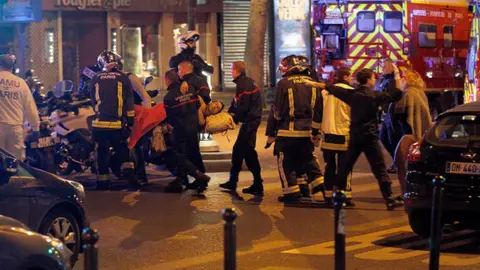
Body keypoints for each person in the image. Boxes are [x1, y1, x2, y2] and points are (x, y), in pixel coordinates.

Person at [307, 67, 404, 210]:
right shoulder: (374, 95)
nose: (374, 79)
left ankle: (338, 195)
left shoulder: (352, 94)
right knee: (379, 168)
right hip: (369, 137)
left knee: (344, 168)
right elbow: (396, 94)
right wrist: (396, 76)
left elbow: (331, 88)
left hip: (355, 136)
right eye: (373, 77)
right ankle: (389, 198)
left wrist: (314, 84)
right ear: (368, 80)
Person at [266, 55, 325, 203]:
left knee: (284, 161)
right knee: (306, 158)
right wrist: (315, 131)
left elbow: (277, 110)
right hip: (307, 132)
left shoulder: (284, 83)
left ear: (286, 67)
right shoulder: (313, 83)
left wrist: (275, 126)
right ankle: (320, 185)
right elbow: (319, 110)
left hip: (287, 131)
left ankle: (291, 193)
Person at [90, 50, 137, 190]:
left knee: (102, 152)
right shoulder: (123, 77)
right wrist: (130, 120)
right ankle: (130, 178)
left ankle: (103, 182)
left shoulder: (95, 78)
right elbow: (129, 101)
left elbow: (93, 101)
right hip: (117, 124)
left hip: (99, 124)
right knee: (123, 149)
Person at [219, 61, 264, 195]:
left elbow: (242, 106)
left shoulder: (243, 85)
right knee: (242, 152)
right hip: (250, 122)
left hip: (250, 122)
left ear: (236, 71)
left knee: (245, 152)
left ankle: (255, 183)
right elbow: (237, 103)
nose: (230, 72)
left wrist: (232, 120)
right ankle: (236, 181)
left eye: (232, 69)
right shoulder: (245, 83)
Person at [163, 69, 210, 193]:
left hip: (180, 128)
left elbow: (171, 118)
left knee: (179, 155)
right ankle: (198, 180)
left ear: (167, 81)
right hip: (193, 125)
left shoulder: (169, 97)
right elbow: (196, 105)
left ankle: (198, 175)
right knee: (194, 152)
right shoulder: (190, 90)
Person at [393, 69, 432, 195]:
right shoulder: (420, 93)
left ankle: (406, 191)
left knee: (400, 162)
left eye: (404, 77)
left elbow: (398, 109)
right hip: (417, 133)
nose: (402, 79)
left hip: (410, 133)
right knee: (411, 165)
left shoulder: (409, 93)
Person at [320, 67, 355, 205]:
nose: (352, 79)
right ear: (345, 77)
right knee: (345, 167)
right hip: (344, 133)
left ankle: (328, 195)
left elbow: (318, 112)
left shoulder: (325, 92)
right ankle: (345, 195)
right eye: (351, 76)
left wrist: (316, 132)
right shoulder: (351, 93)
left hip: (327, 134)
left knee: (329, 166)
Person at [0, 54, 39, 161]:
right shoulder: (21, 83)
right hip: (15, 128)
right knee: (15, 161)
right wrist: (36, 128)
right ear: (12, 66)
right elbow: (30, 107)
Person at [377, 58, 402, 173]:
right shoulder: (384, 79)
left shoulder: (392, 81)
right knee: (384, 138)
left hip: (391, 114)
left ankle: (398, 163)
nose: (382, 69)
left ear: (391, 68)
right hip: (386, 114)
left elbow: (393, 96)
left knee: (392, 139)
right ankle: (396, 161)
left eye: (384, 67)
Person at [178, 61, 212, 141]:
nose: (177, 72)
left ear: (184, 70)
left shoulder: (179, 83)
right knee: (196, 145)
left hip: (184, 121)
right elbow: (206, 97)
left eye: (179, 69)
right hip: (198, 119)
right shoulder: (201, 81)